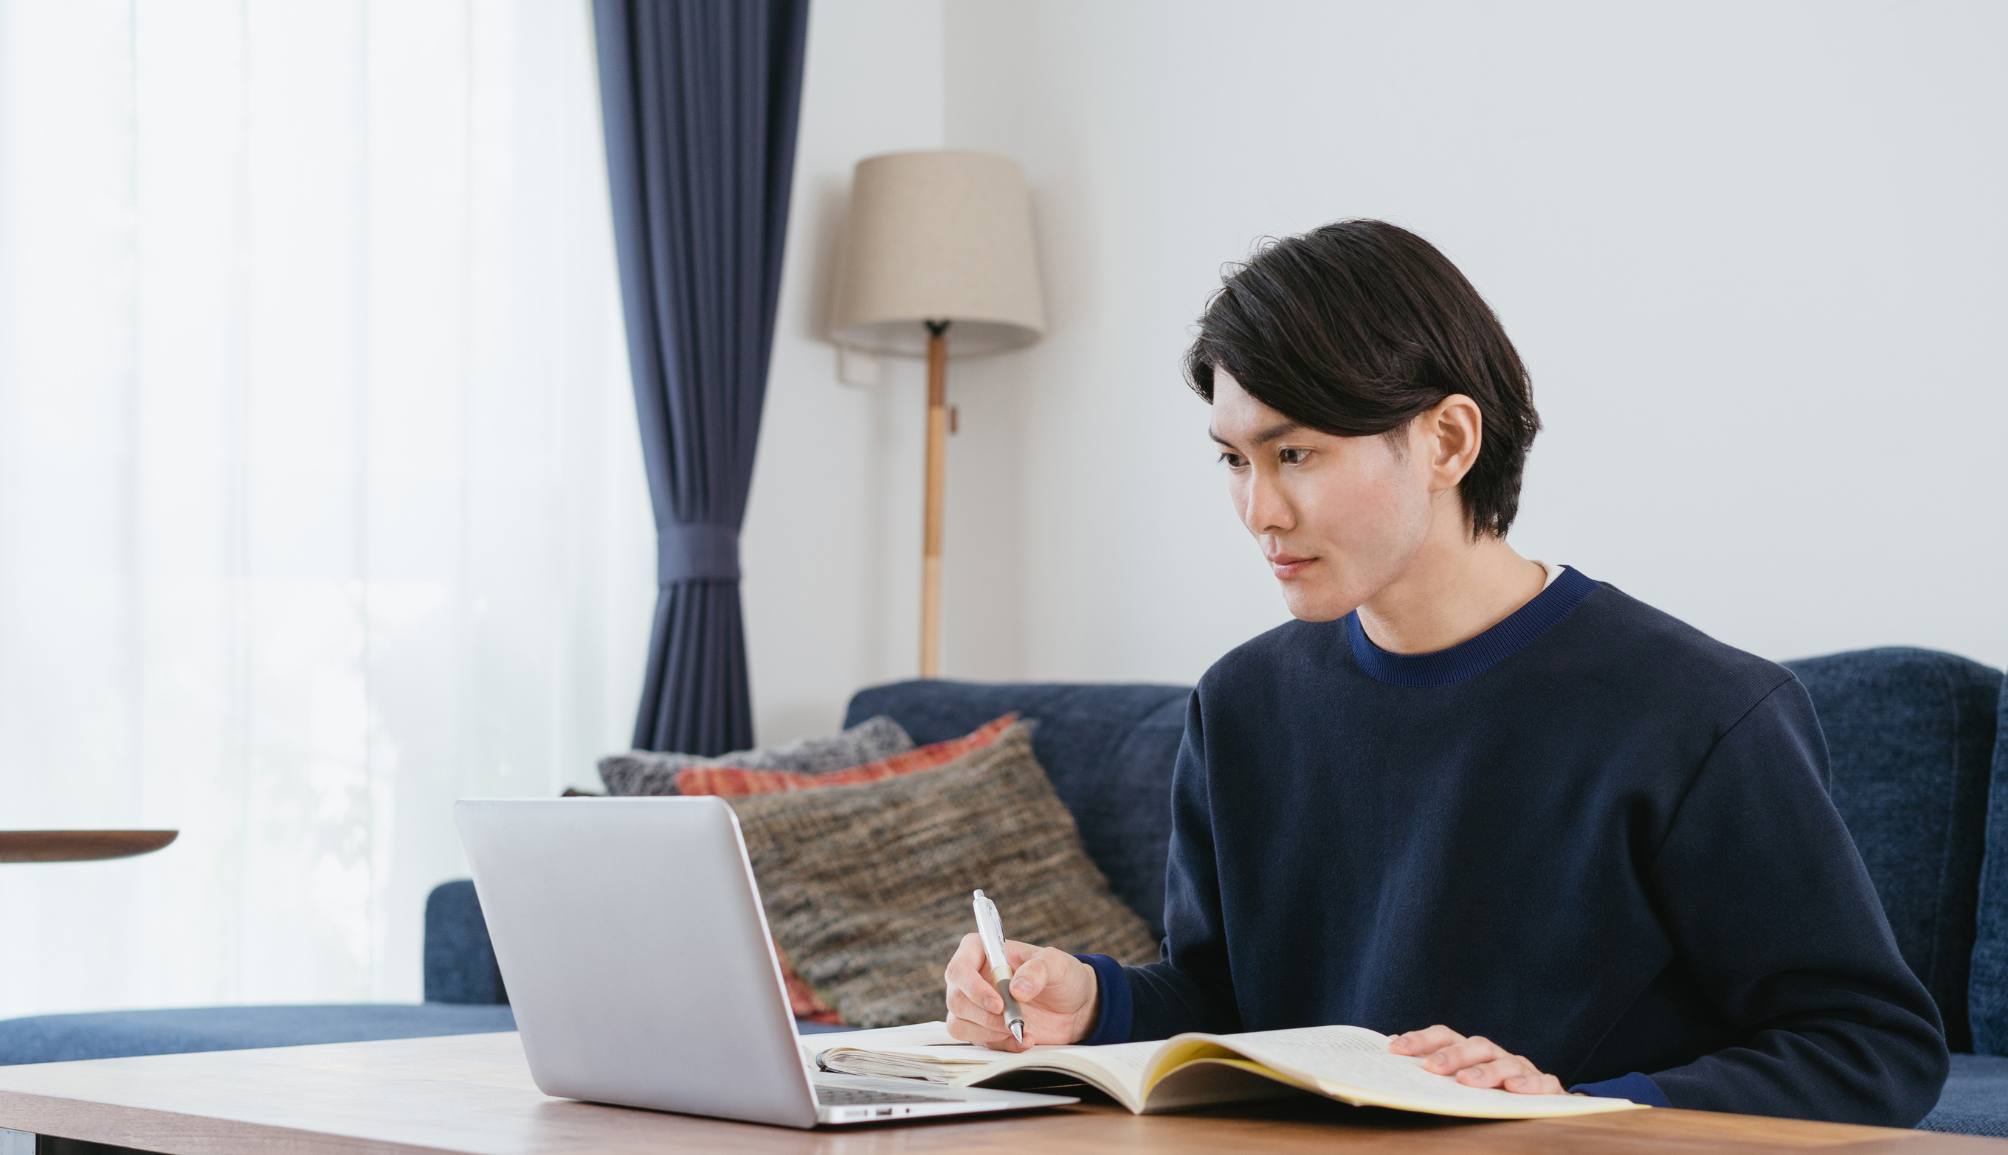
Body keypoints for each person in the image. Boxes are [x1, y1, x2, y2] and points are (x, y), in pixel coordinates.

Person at [940, 220, 1947, 1125]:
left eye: (1294, 454)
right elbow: (1231, 1003)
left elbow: (1870, 1049)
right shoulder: (1243, 703)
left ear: (1447, 441)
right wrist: (1093, 998)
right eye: (1234, 461)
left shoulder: (1701, 714)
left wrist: (1573, 1106)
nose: (1258, 512)